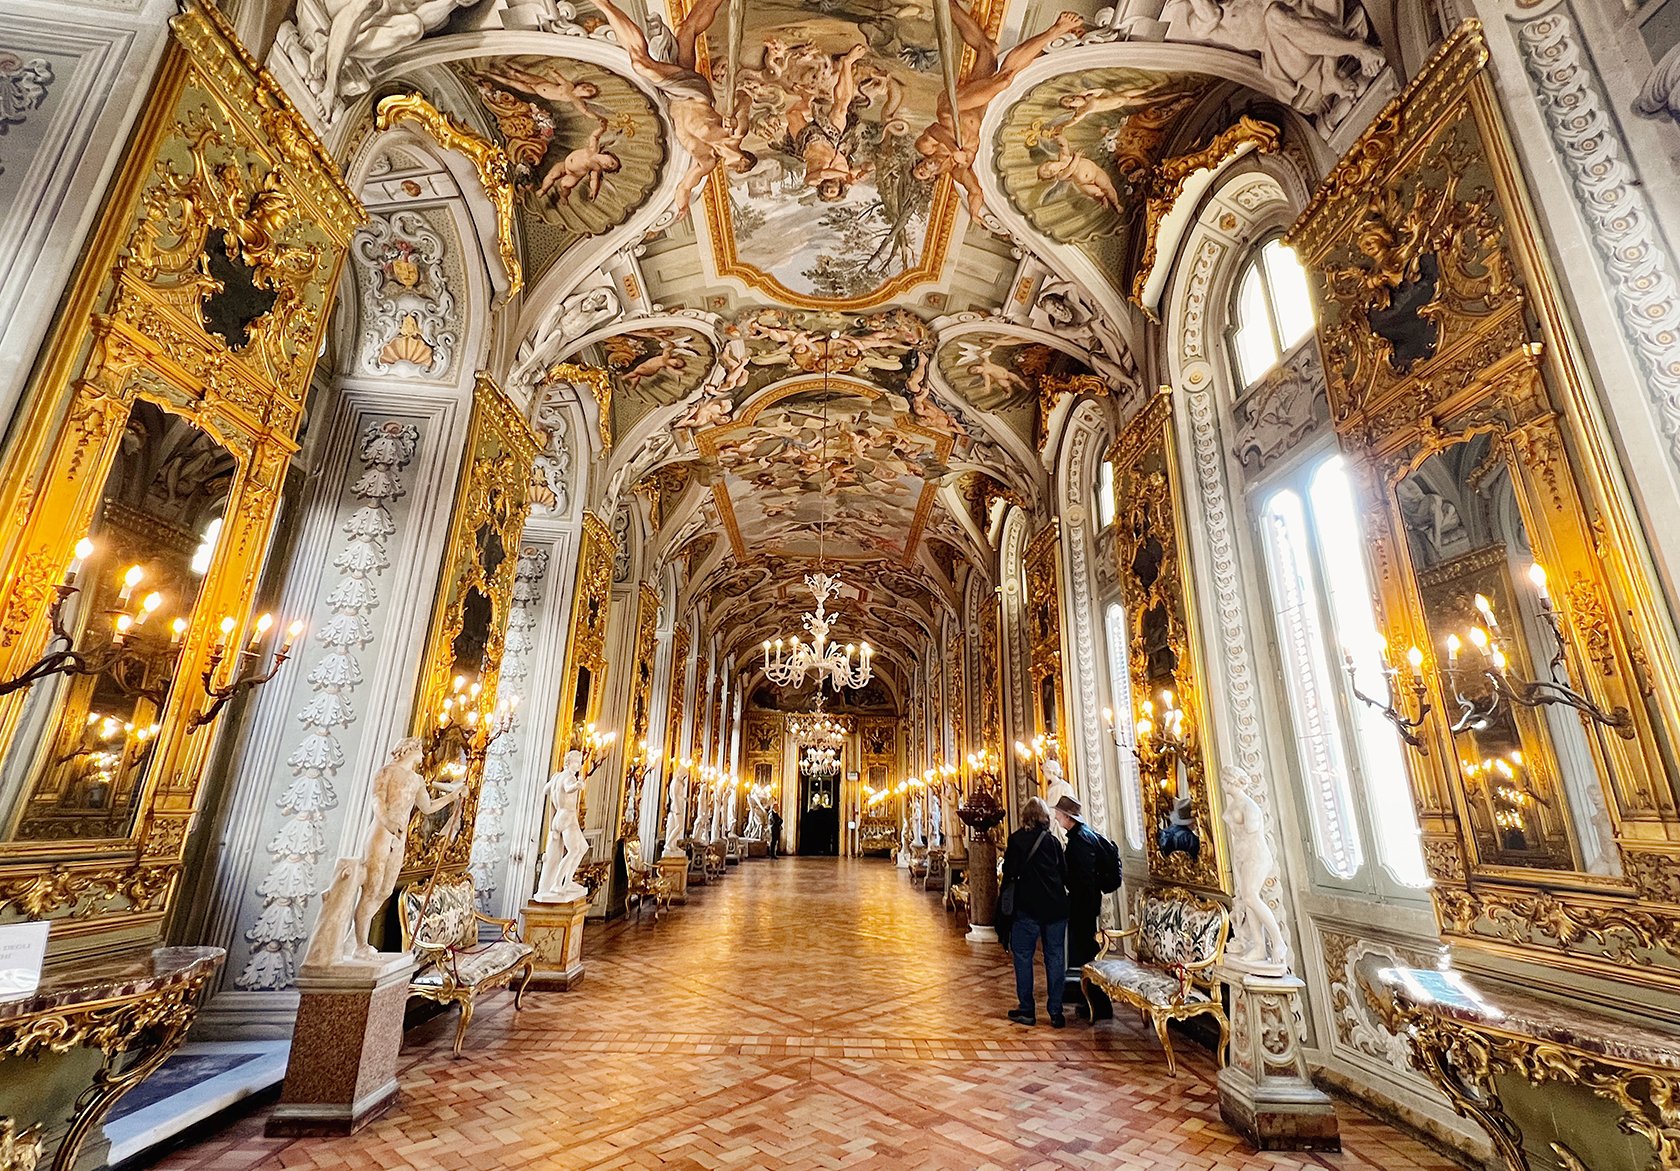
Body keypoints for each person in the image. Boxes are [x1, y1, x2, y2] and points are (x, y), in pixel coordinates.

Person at [1000, 796, 1069, 1027]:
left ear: (1025, 817)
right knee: (1055, 957)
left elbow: (1009, 872)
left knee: (1023, 957)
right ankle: (1056, 1012)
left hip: (1027, 907)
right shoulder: (1053, 842)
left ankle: (1027, 1010)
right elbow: (1064, 873)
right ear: (1045, 818)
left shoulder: (1016, 840)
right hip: (1055, 907)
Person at [1054, 794, 1113, 1020]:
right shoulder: (1084, 836)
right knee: (1084, 954)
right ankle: (1089, 1001)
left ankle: (1097, 1005)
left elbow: (1082, 878)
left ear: (1067, 816)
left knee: (1086, 955)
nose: (1056, 817)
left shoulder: (1079, 841)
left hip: (1082, 906)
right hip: (1086, 904)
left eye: (1058, 813)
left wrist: (1066, 881)